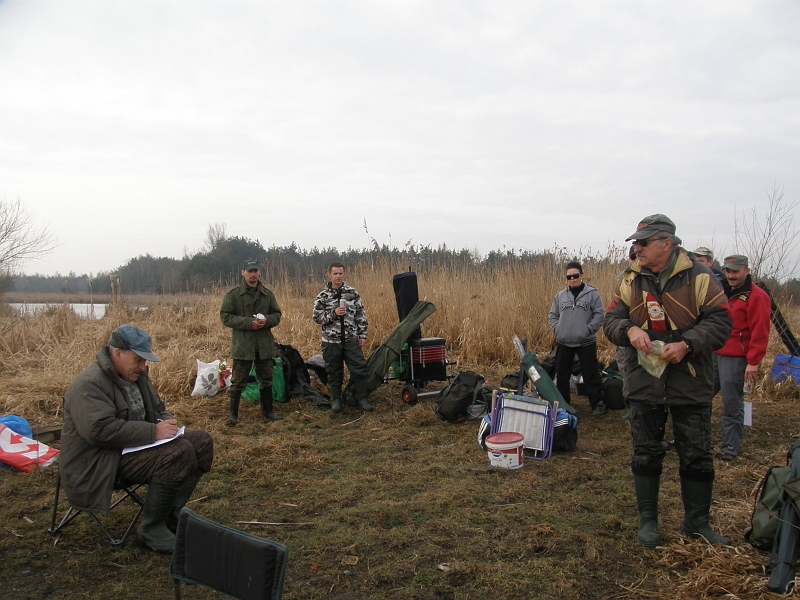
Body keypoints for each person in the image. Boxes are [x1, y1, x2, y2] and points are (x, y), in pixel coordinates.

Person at [604, 214, 732, 549]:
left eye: (643, 242)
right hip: (644, 382)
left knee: (697, 453)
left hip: (690, 381)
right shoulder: (630, 279)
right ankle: (648, 522)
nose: (637, 248)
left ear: (666, 243)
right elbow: (611, 320)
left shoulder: (700, 277)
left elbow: (720, 322)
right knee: (645, 452)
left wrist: (687, 345)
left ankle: (697, 523)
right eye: (636, 242)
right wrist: (629, 330)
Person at [60, 325, 214, 553]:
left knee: (201, 443)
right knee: (178, 452)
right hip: (98, 463)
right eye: (138, 360)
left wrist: (168, 425)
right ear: (118, 354)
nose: (143, 367)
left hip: (131, 451)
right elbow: (99, 431)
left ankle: (171, 515)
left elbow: (158, 408)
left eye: (145, 361)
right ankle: (151, 529)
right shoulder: (89, 385)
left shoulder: (136, 376)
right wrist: (154, 433)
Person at [715, 255, 771, 461]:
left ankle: (730, 446)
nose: (730, 275)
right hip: (714, 353)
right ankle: (694, 438)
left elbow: (760, 331)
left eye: (735, 271)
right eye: (728, 271)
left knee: (732, 403)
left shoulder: (757, 297)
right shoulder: (721, 292)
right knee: (699, 396)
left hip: (736, 359)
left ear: (746, 271)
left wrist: (753, 362)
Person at [220, 259, 283, 425]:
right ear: (243, 273)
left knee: (266, 379)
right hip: (243, 345)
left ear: (259, 273)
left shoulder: (267, 295)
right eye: (250, 271)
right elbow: (225, 317)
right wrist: (248, 323)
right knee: (238, 381)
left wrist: (266, 321)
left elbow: (277, 315)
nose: (253, 274)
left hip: (264, 345)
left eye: (255, 271)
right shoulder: (233, 295)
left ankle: (268, 412)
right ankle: (233, 415)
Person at [548, 260, 607, 417]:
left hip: (585, 341)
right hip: (564, 341)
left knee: (591, 373)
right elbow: (552, 315)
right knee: (562, 374)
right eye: (569, 277)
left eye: (575, 275)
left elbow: (599, 314)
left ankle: (597, 404)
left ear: (581, 275)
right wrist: (558, 329)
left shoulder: (592, 294)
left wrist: (588, 329)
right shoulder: (560, 296)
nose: (572, 279)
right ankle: (563, 405)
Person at [312, 262, 372, 413]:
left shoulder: (352, 293)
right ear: (329, 275)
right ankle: (337, 400)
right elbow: (317, 317)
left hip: (351, 340)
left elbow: (361, 314)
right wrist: (333, 313)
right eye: (335, 274)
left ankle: (362, 399)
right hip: (331, 342)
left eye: (340, 273)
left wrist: (362, 335)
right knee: (334, 372)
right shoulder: (323, 296)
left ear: (344, 275)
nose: (338, 276)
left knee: (359, 369)